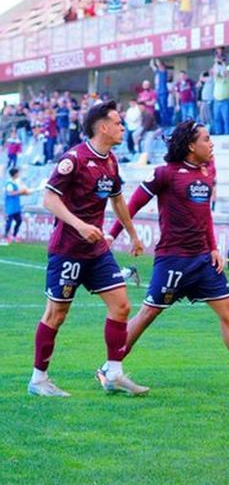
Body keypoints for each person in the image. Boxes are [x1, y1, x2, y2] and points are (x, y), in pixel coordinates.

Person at [105, 121, 229, 389]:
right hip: (173, 260)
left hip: (203, 259)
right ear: (191, 146)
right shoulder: (164, 174)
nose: (211, 144)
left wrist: (213, 247)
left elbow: (205, 215)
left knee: (228, 311)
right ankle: (108, 368)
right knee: (147, 315)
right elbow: (131, 205)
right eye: (206, 139)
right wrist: (113, 234)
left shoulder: (208, 171)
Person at [29, 102, 147, 397]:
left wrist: (132, 235)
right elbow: (49, 200)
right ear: (103, 127)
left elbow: (118, 201)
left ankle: (114, 373)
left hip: (96, 252)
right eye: (118, 123)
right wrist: (79, 225)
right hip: (67, 249)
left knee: (121, 305)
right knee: (56, 314)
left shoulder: (111, 161)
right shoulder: (74, 159)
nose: (122, 127)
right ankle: (39, 379)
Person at [3, 167, 29, 243]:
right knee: (9, 222)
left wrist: (23, 193)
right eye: (18, 173)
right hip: (10, 207)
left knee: (19, 221)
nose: (19, 174)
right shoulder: (9, 183)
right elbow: (10, 193)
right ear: (14, 174)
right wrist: (21, 191)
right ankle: (5, 237)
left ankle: (14, 236)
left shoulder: (15, 182)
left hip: (16, 206)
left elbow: (16, 193)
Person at [212, 65, 229, 135]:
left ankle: (227, 133)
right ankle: (218, 132)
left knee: (226, 118)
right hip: (216, 101)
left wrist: (223, 64)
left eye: (225, 72)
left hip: (225, 101)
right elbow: (215, 73)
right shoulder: (217, 80)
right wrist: (216, 62)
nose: (223, 73)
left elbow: (227, 73)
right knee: (216, 118)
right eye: (222, 72)